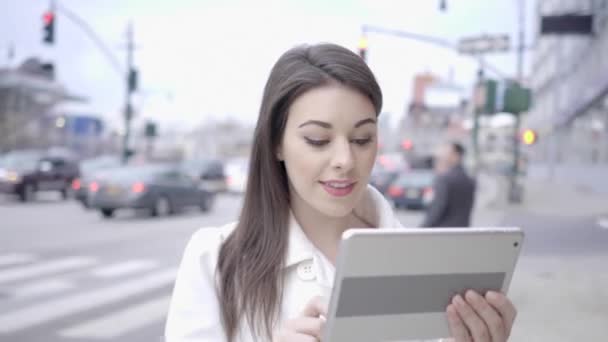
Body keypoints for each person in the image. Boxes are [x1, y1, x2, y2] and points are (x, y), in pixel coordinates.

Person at [166, 43, 516, 342]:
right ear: (276, 143)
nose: (346, 160)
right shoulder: (215, 260)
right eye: (318, 140)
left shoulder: (427, 268)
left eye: (362, 139)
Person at [421, 142, 476, 228]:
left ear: (456, 155)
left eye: (446, 153)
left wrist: (422, 229)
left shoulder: (444, 179)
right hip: (462, 231)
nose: (443, 157)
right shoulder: (469, 180)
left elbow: (436, 210)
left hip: (442, 233)